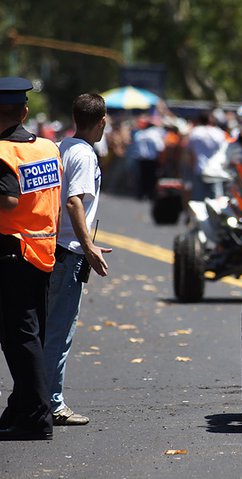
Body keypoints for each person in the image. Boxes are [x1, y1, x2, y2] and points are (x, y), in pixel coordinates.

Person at [43, 93, 111, 427]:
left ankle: (35, 399)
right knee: (58, 332)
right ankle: (51, 404)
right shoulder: (84, 154)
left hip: (47, 248)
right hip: (67, 253)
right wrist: (88, 246)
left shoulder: (59, 147)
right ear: (102, 121)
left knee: (43, 330)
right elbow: (74, 203)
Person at [0, 77, 61, 440]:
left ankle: (37, 418)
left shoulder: (2, 152)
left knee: (20, 339)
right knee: (29, 336)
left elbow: (7, 201)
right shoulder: (47, 148)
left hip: (11, 252)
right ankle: (21, 408)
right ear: (24, 112)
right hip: (42, 253)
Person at [187, 110, 227, 200]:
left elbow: (190, 153)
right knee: (216, 200)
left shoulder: (195, 132)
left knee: (198, 200)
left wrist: (192, 168)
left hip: (199, 169)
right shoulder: (220, 133)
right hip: (215, 170)